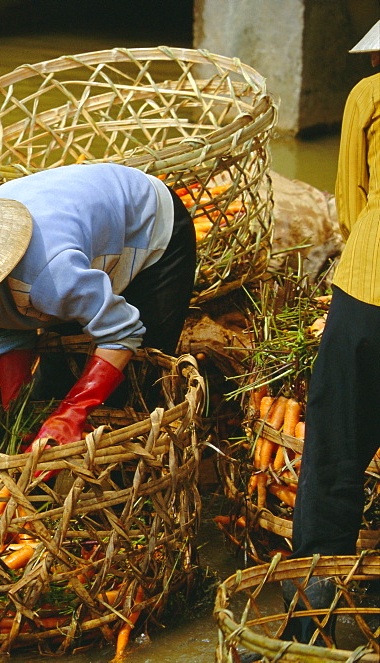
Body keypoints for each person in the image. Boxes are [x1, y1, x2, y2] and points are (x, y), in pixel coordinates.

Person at [0, 161, 196, 454]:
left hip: (149, 224)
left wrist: (73, 412)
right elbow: (7, 334)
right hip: (72, 237)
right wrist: (15, 414)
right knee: (53, 383)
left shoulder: (51, 276)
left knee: (135, 380)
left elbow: (122, 334)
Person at [284, 17, 380, 645]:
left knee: (337, 449)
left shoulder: (368, 97)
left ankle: (313, 612)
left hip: (370, 287)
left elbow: (350, 201)